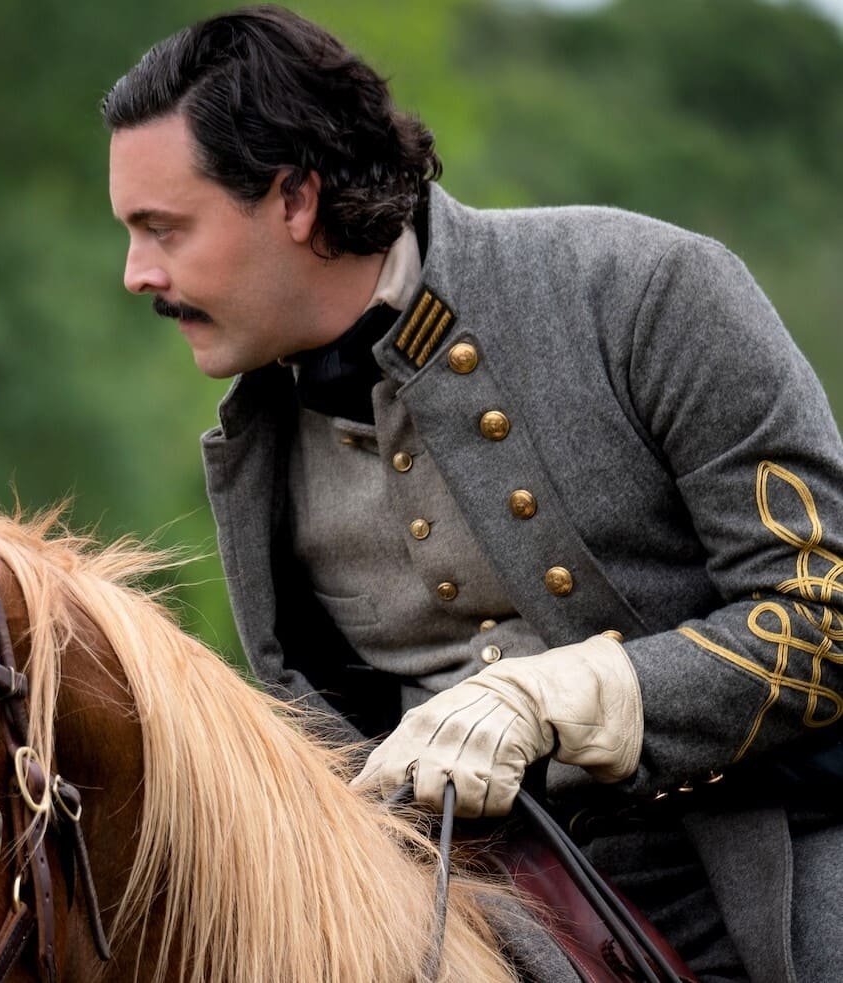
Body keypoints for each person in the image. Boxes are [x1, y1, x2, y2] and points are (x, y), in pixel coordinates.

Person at [103, 6, 843, 981]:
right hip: (438, 908)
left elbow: (824, 619)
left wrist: (563, 694)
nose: (136, 274)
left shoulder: (651, 290)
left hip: (748, 876)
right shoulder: (256, 444)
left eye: (163, 229)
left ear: (294, 197)